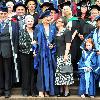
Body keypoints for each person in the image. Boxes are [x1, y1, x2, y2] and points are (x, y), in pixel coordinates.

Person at [34, 10, 56, 97]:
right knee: (41, 71)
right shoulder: (38, 27)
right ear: (43, 19)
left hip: (50, 53)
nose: (48, 19)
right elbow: (35, 40)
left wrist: (53, 46)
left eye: (49, 17)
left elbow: (55, 40)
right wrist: (35, 51)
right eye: (46, 17)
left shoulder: (53, 27)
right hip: (41, 52)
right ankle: (40, 90)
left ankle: (47, 90)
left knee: (49, 71)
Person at [0, 6, 19, 98]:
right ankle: (1, 88)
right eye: (1, 14)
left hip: (7, 49)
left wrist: (14, 51)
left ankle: (7, 90)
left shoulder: (12, 23)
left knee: (7, 70)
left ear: (7, 14)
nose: (3, 15)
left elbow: (15, 38)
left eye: (4, 13)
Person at [55, 16, 74, 97]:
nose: (57, 22)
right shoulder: (56, 32)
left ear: (63, 23)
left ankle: (67, 90)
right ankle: (61, 90)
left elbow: (68, 44)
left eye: (59, 21)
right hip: (57, 55)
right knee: (59, 73)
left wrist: (66, 55)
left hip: (65, 55)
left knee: (65, 72)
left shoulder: (67, 31)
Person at [19, 15, 36, 96]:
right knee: (25, 73)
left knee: (33, 72)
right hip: (24, 54)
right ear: (25, 22)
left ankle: (32, 91)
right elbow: (21, 44)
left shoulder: (35, 31)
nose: (30, 22)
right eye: (28, 21)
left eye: (31, 21)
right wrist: (31, 43)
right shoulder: (22, 31)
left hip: (34, 54)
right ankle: (25, 91)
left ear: (33, 22)